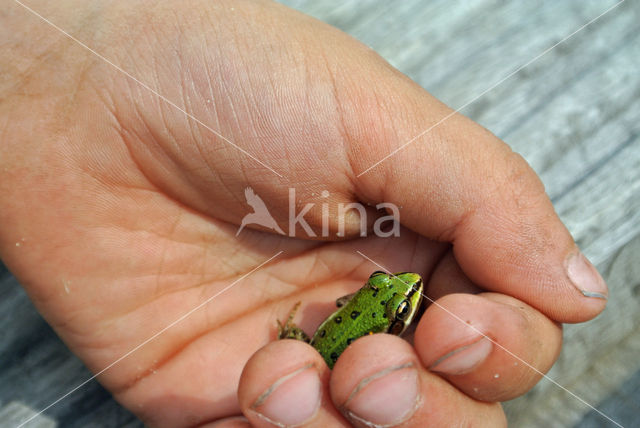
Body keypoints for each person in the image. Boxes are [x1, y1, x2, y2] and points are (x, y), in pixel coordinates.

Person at [0, 1, 608, 427]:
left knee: (345, 379)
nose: (405, 291)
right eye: (397, 300)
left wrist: (57, 62)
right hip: (332, 352)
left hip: (326, 356)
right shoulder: (384, 318)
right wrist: (62, 66)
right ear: (393, 314)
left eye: (397, 298)